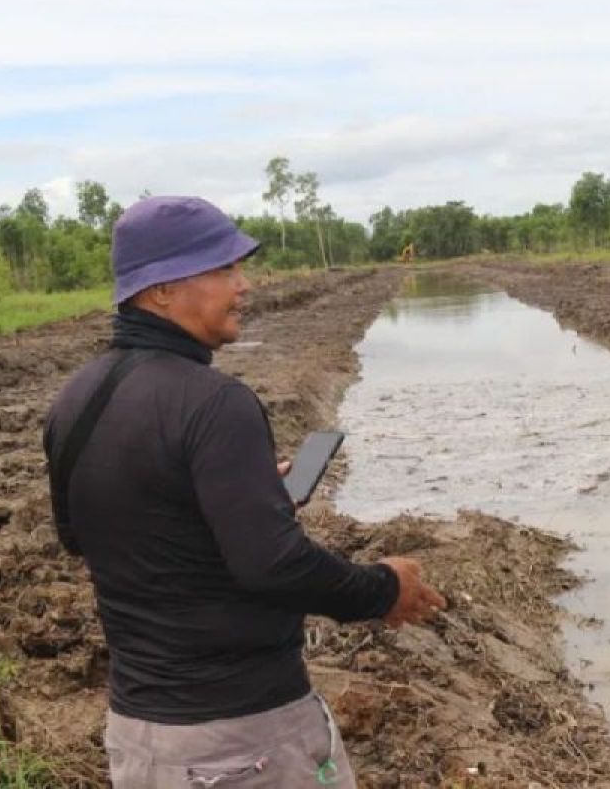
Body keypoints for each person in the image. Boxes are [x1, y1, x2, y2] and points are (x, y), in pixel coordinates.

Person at [43, 196, 446, 788]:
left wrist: (240, 500)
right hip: (243, 740)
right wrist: (384, 588)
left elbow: (89, 535)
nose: (245, 285)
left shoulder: (75, 401)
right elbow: (273, 566)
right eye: (224, 270)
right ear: (160, 291)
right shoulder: (215, 403)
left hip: (139, 741)